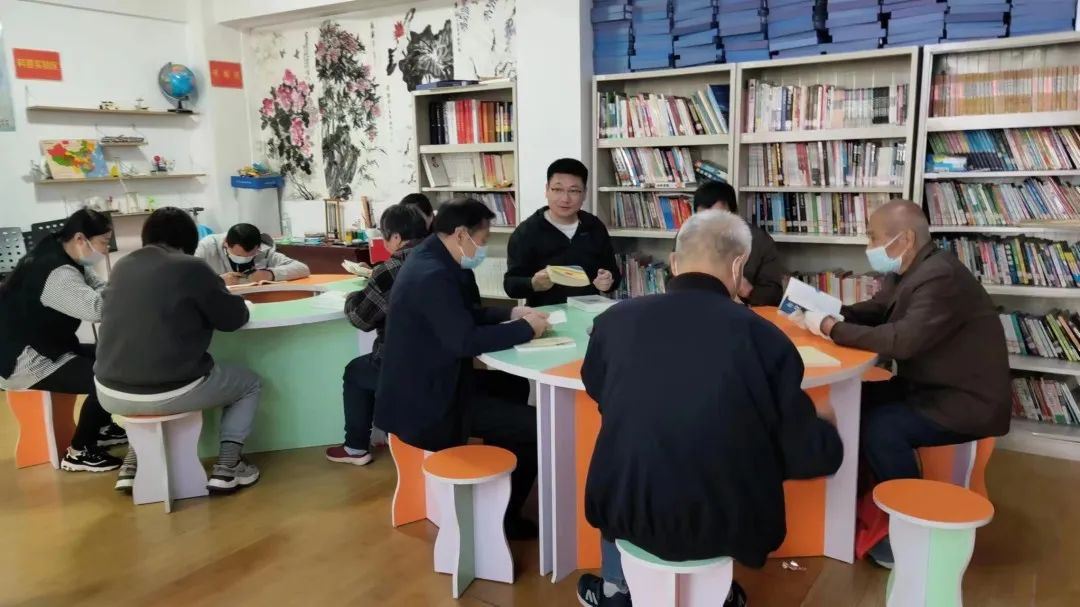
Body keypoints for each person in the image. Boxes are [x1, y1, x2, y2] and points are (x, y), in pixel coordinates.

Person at [576, 210, 843, 607]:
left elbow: (599, 391)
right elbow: (805, 454)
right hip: (726, 521)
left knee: (632, 460)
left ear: (674, 263)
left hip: (625, 508)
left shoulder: (614, 321)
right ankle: (718, 593)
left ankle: (617, 590)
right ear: (738, 266)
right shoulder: (764, 338)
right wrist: (826, 431)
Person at [788, 199, 1011, 567]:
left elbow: (901, 341)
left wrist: (831, 328)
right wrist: (830, 311)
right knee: (856, 402)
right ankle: (864, 499)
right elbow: (877, 310)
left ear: (905, 239)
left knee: (882, 429)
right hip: (929, 384)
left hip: (964, 399)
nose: (868, 246)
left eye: (873, 237)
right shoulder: (908, 270)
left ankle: (911, 526)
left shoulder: (941, 277)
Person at [375, 198, 550, 538]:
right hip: (429, 401)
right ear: (460, 234)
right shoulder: (432, 275)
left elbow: (462, 315)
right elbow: (464, 341)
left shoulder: (433, 257)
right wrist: (527, 330)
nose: (483, 247)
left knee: (513, 387)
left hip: (431, 382)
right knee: (534, 428)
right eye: (483, 239)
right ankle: (504, 519)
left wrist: (511, 314)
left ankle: (498, 486)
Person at [94, 207, 263, 494]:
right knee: (249, 384)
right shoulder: (192, 267)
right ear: (190, 240)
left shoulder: (122, 266)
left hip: (109, 392)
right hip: (170, 390)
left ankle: (134, 464)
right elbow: (233, 320)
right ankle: (229, 466)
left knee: (142, 397)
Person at [0, 209, 126, 472]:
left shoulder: (61, 250)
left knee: (115, 357)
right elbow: (97, 309)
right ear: (81, 239)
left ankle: (101, 428)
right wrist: (120, 292)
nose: (105, 250)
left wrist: (108, 292)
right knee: (109, 377)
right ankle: (79, 451)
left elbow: (99, 287)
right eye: (103, 242)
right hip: (27, 360)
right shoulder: (57, 272)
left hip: (48, 344)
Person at [326, 204, 429, 465]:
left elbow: (361, 319)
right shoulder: (444, 259)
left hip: (401, 367)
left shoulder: (391, 270)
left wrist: (353, 296)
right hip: (442, 363)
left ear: (396, 237)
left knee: (355, 372)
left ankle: (355, 448)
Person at [504, 158, 621, 306]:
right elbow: (510, 285)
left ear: (584, 193)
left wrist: (608, 280)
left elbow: (613, 274)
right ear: (547, 190)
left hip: (589, 312)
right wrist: (532, 283)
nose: (565, 199)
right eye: (557, 190)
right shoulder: (526, 232)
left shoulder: (594, 226)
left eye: (574, 191)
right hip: (545, 314)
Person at [693, 180, 786, 306]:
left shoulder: (760, 241)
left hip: (743, 312)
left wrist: (748, 291)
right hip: (697, 308)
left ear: (734, 214)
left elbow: (774, 296)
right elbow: (672, 284)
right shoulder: (688, 238)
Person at [195, 222, 310, 286]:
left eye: (250, 255)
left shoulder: (264, 250)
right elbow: (187, 278)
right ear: (226, 243)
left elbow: (302, 268)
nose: (244, 259)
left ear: (258, 247)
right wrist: (218, 281)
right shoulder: (207, 247)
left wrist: (269, 274)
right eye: (239, 255)